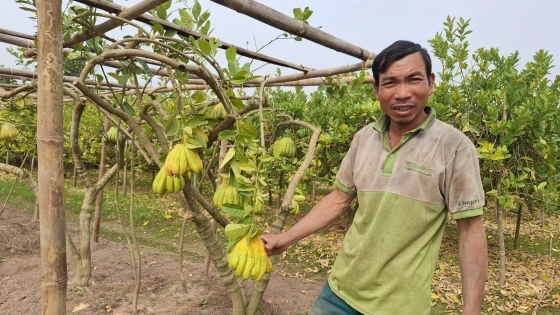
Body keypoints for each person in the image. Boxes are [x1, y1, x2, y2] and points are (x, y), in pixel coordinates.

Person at [260, 40, 488, 315]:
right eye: (390, 82)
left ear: (430, 82)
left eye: (413, 79)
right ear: (376, 89)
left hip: (400, 307)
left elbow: (471, 230)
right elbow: (339, 198)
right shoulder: (364, 137)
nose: (402, 93)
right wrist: (285, 238)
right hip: (339, 293)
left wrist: (471, 311)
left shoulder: (454, 146)